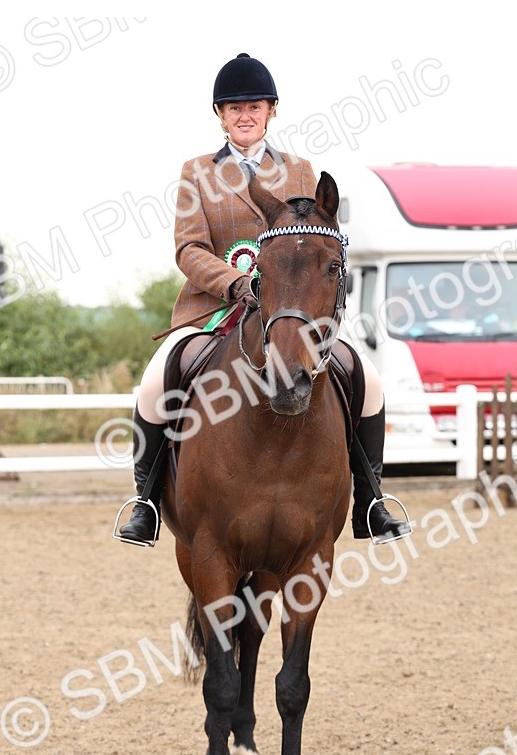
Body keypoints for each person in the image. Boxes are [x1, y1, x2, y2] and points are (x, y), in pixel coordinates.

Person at [118, 53, 410, 547]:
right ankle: (145, 501)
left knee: (370, 380)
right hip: (213, 310)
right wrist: (235, 282)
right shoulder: (196, 173)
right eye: (233, 108)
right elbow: (188, 247)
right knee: (153, 384)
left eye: (253, 105)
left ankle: (370, 500)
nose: (244, 115)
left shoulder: (299, 170)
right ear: (220, 115)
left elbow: (315, 238)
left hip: (290, 314)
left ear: (271, 110)